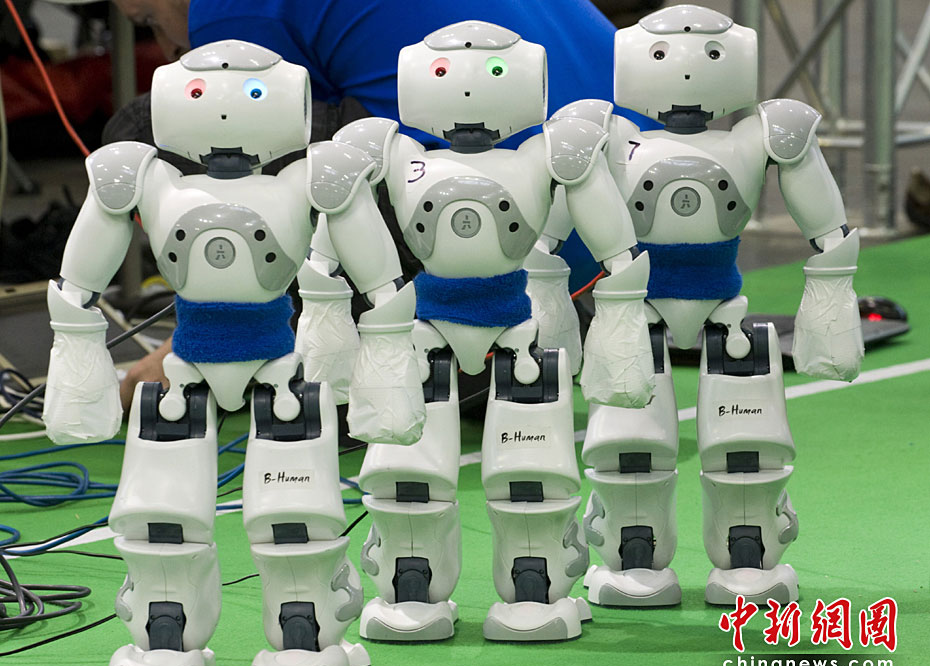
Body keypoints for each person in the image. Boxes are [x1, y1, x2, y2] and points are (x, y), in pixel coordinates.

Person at [95, 0, 660, 408]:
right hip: (626, 212)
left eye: (149, 21)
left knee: (158, 127)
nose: (171, 49)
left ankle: (251, 341)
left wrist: (203, 340)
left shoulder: (231, 10)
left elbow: (251, 182)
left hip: (503, 217)